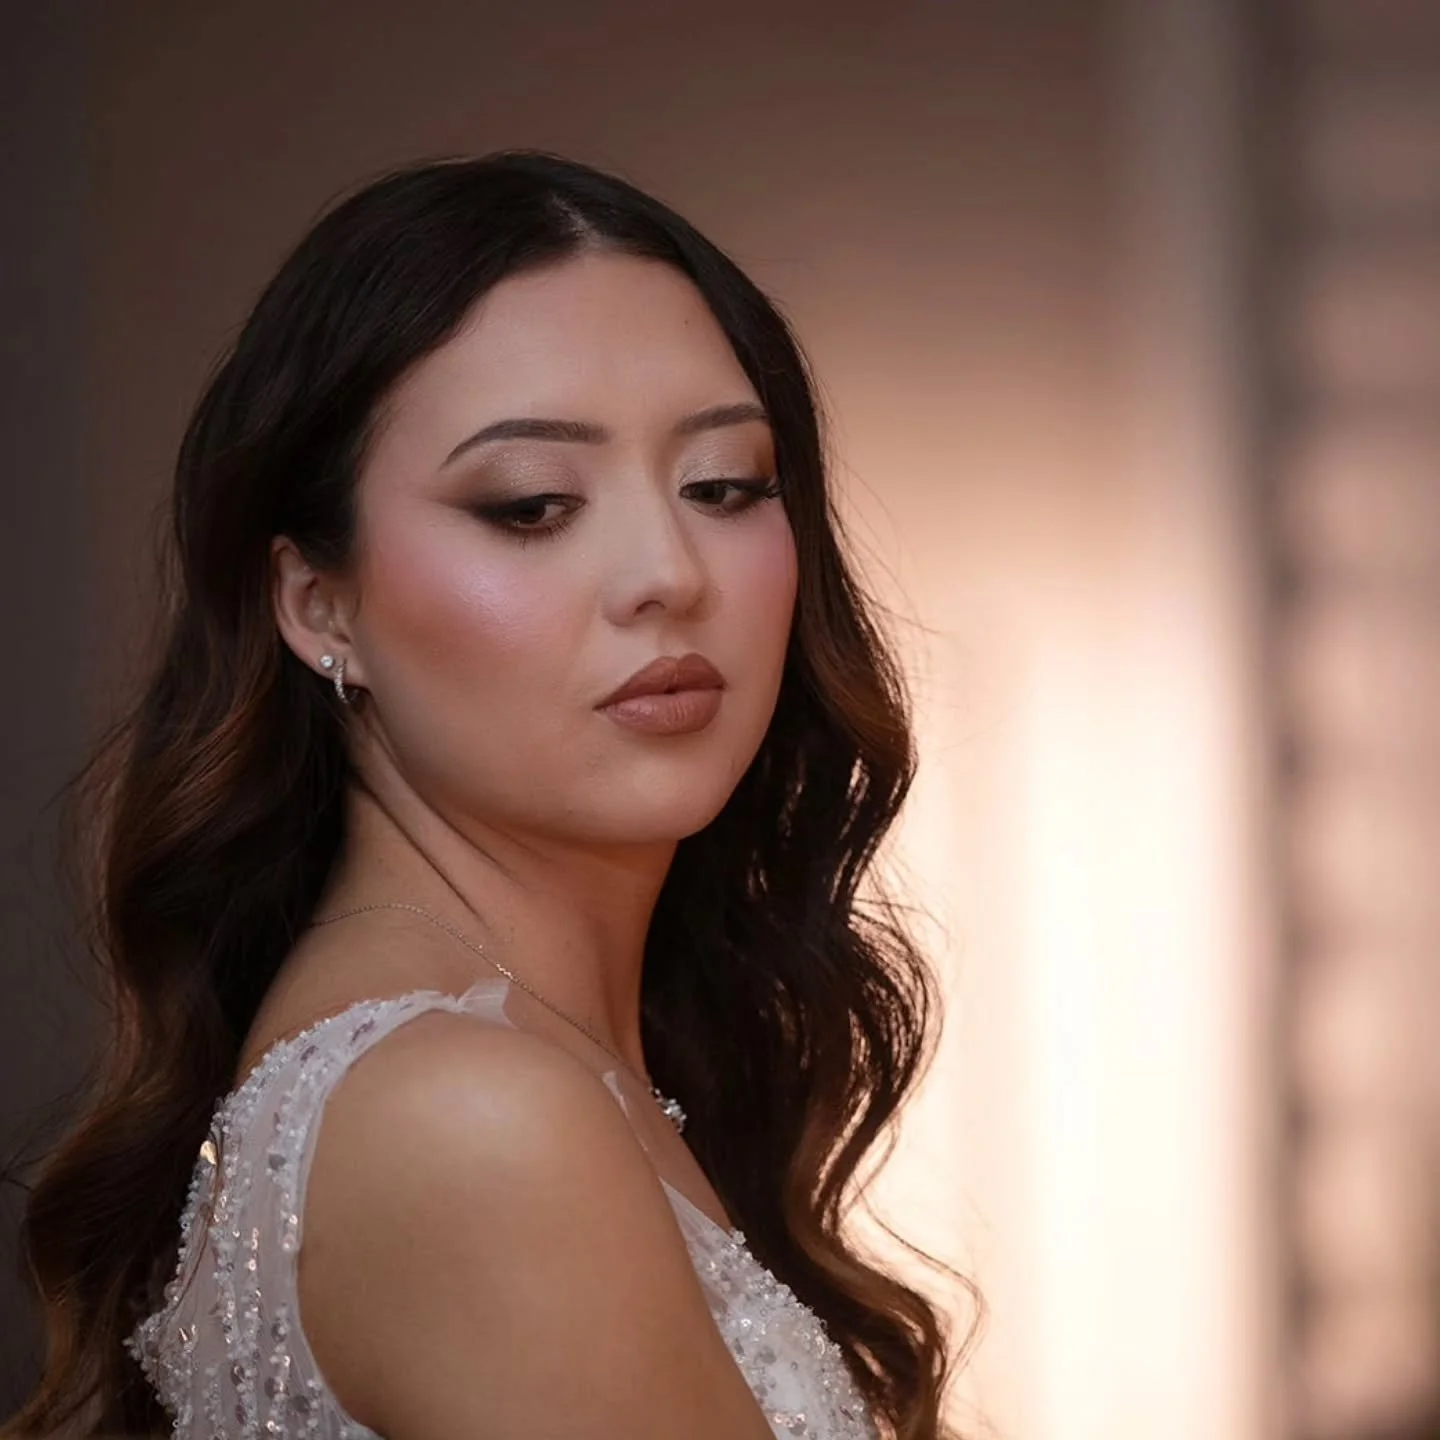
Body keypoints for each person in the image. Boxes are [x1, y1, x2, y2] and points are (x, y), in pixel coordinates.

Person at [5, 151, 972, 1440]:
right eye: (530, 506)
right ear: (318, 603)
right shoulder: (472, 1118)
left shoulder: (544, 1059)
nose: (666, 572)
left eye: (726, 486)